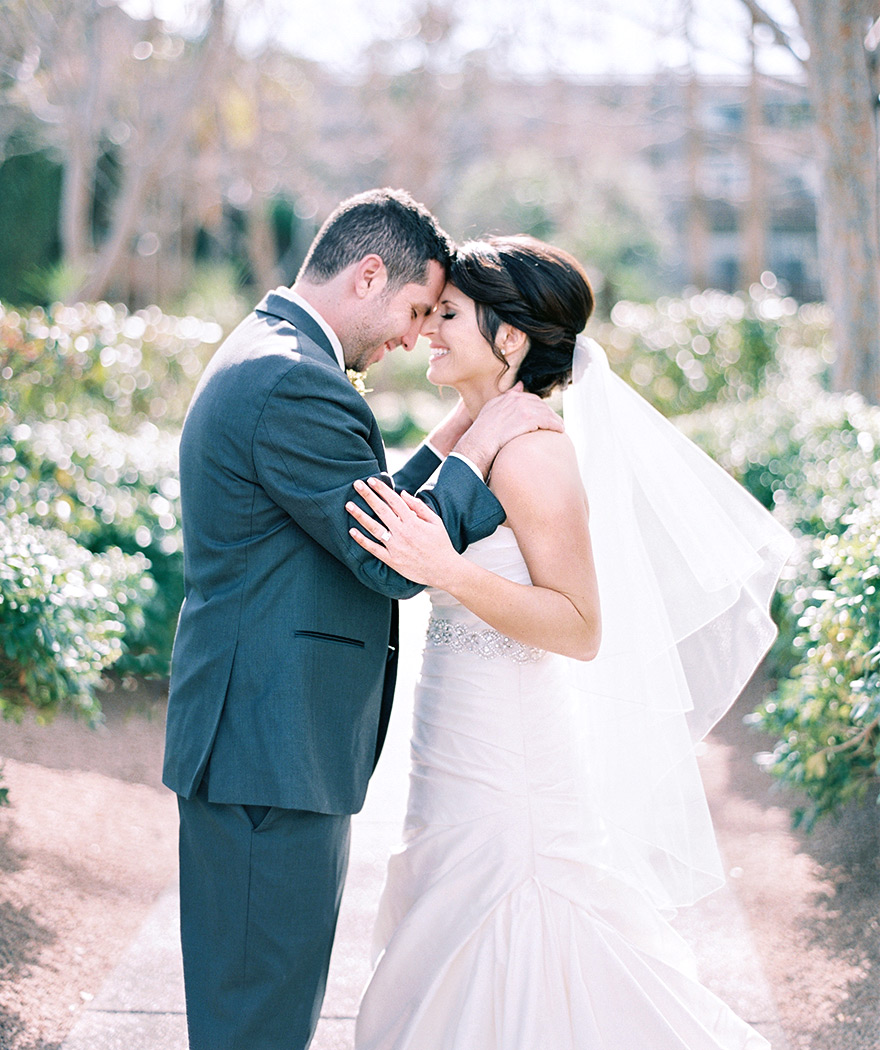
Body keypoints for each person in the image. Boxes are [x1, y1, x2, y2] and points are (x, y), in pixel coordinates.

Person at [346, 235, 794, 1049]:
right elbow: (394, 503)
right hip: (455, 735)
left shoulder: (536, 456)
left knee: (515, 911)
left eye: (448, 314)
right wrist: (466, 421)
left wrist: (451, 571)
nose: (428, 330)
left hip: (506, 747)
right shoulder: (482, 437)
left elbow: (582, 628)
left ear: (509, 339)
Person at [162, 191, 563, 1050]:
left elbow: (358, 506)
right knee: (256, 1021)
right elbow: (385, 555)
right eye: (418, 310)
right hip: (268, 752)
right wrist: (488, 445)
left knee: (262, 1006)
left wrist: (461, 427)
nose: (414, 337)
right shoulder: (295, 379)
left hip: (265, 744)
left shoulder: (276, 353)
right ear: (368, 274)